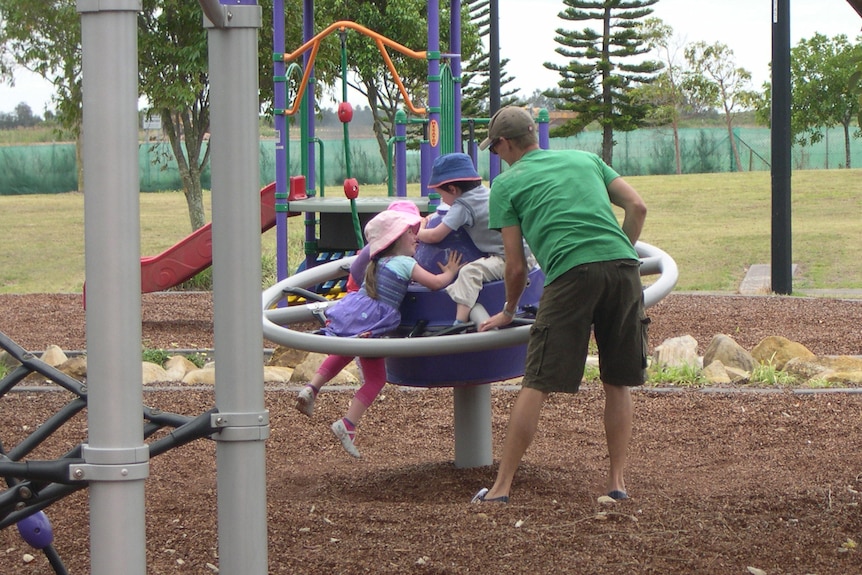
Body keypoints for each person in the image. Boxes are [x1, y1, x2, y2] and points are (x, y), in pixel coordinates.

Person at [471, 106, 649, 504]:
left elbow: (515, 267)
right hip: (623, 269)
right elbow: (637, 208)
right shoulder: (586, 158)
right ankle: (617, 483)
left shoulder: (506, 183)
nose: (496, 155)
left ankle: (500, 489)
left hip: (570, 273)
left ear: (504, 144)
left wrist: (507, 311)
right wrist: (619, 251)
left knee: (537, 380)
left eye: (495, 148)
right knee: (616, 379)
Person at [295, 210, 463, 458]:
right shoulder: (407, 263)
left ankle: (312, 387)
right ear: (396, 239)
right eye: (410, 233)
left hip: (357, 311)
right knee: (376, 380)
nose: (416, 237)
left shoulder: (378, 262)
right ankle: (348, 424)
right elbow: (436, 283)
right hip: (373, 322)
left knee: (344, 351)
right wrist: (451, 271)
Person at [417, 152, 507, 326]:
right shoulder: (485, 193)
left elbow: (435, 236)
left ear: (452, 189)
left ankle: (459, 323)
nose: (443, 201)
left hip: (507, 259)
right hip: (524, 253)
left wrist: (418, 230)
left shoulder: (462, 206)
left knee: (469, 272)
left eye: (442, 195)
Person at [345, 200, 422, 293]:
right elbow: (356, 273)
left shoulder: (398, 248)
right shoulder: (375, 249)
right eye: (409, 231)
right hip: (360, 290)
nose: (415, 236)